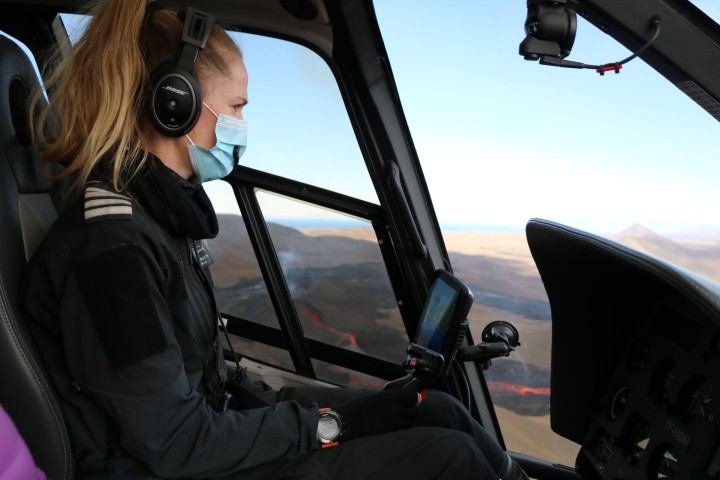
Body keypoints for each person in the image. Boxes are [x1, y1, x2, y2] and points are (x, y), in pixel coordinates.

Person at [23, 1, 531, 479]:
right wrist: (336, 425)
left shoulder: (159, 221)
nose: (242, 125)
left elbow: (203, 388)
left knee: (436, 408)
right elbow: (177, 443)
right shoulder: (111, 253)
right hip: (175, 464)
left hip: (209, 433)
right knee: (450, 457)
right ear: (175, 102)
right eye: (236, 106)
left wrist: (361, 412)